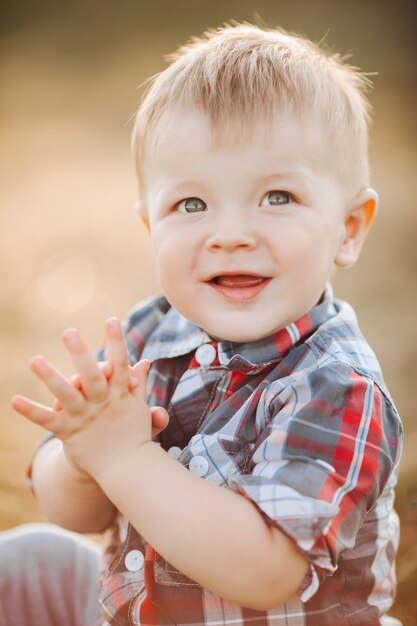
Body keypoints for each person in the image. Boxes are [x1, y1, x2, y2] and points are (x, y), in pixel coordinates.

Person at [5, 22, 402, 626]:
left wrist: (124, 459)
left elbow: (264, 573)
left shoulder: (336, 387)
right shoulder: (152, 331)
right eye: (191, 205)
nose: (230, 234)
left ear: (348, 229)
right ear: (150, 229)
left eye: (277, 197)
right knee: (30, 560)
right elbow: (77, 513)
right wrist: (85, 455)